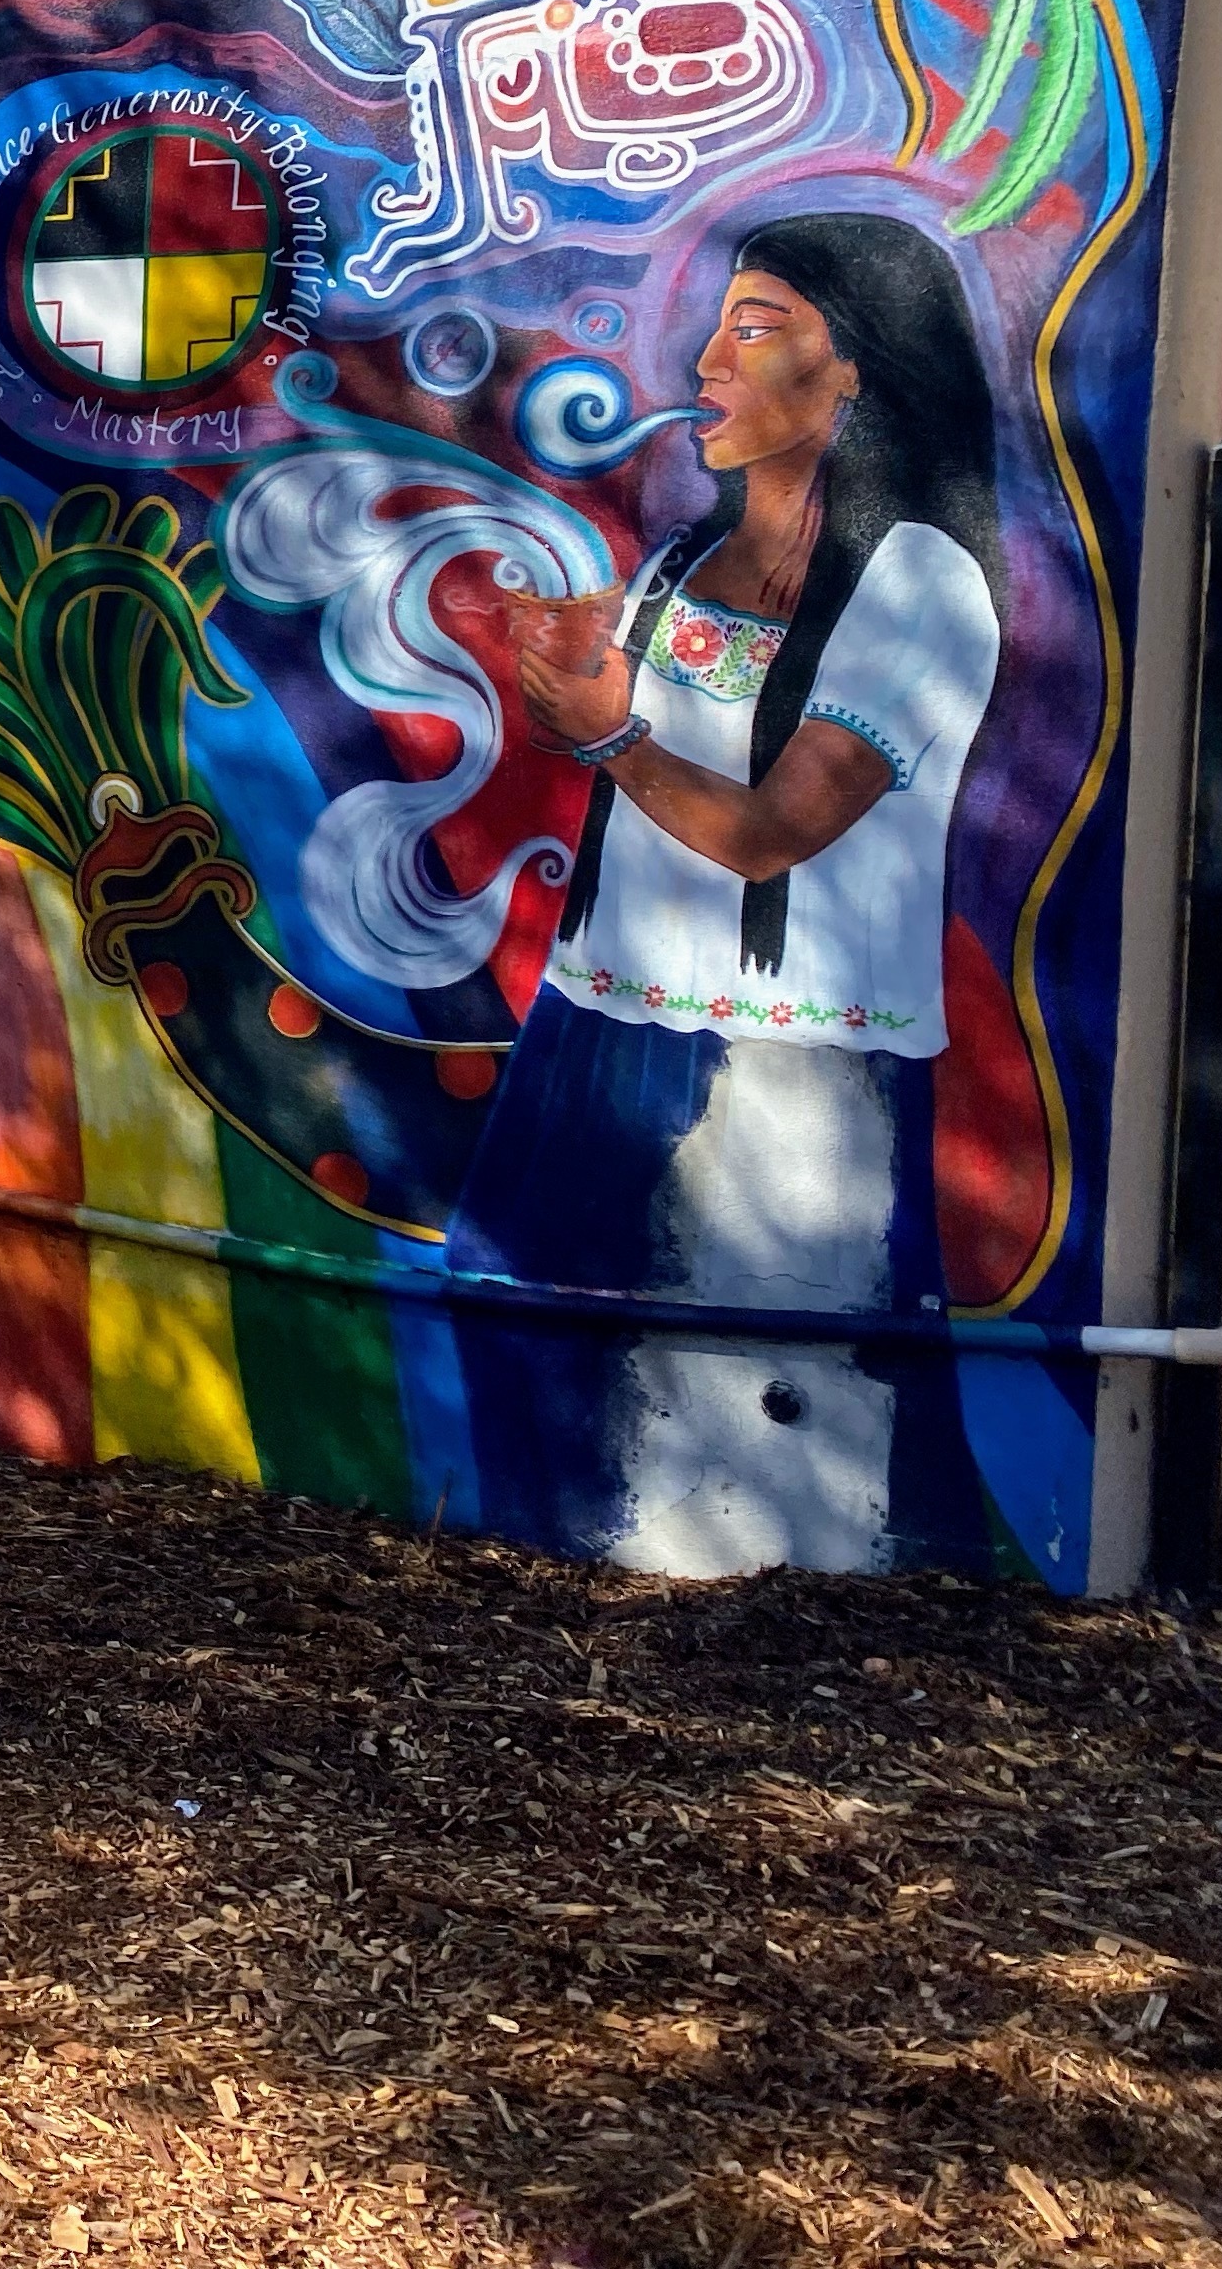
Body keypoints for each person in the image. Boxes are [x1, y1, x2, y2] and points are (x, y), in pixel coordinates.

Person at [452, 210, 1005, 1576]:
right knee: (515, 1315)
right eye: (718, 325)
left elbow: (775, 830)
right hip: (598, 1022)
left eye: (757, 330)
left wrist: (605, 732)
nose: (705, 361)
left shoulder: (918, 581)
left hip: (790, 1065)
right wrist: (577, 676)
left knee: (758, 1391)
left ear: (860, 370)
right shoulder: (682, 561)